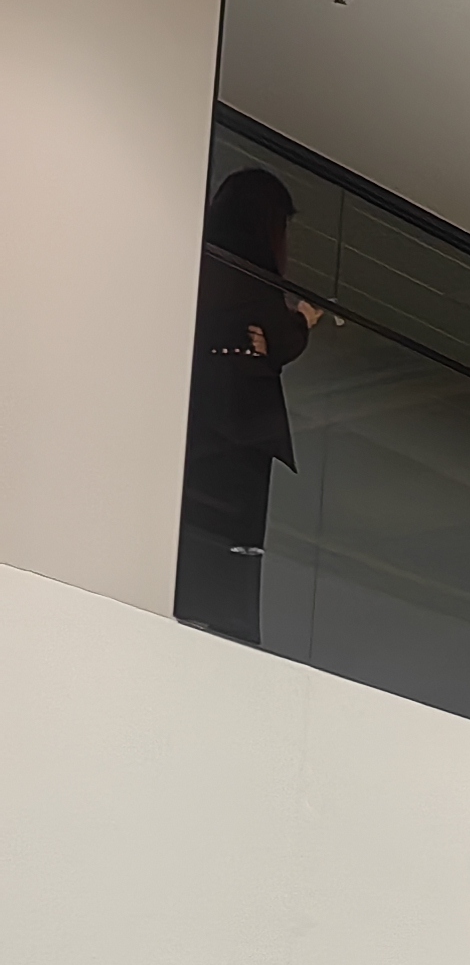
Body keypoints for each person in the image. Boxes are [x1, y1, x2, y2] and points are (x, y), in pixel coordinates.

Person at [176, 167, 321, 646]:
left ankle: (194, 611)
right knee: (237, 539)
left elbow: (261, 337)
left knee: (197, 525)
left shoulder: (198, 266)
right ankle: (227, 626)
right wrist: (301, 319)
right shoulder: (249, 275)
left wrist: (265, 339)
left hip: (199, 420)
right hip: (241, 427)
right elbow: (274, 336)